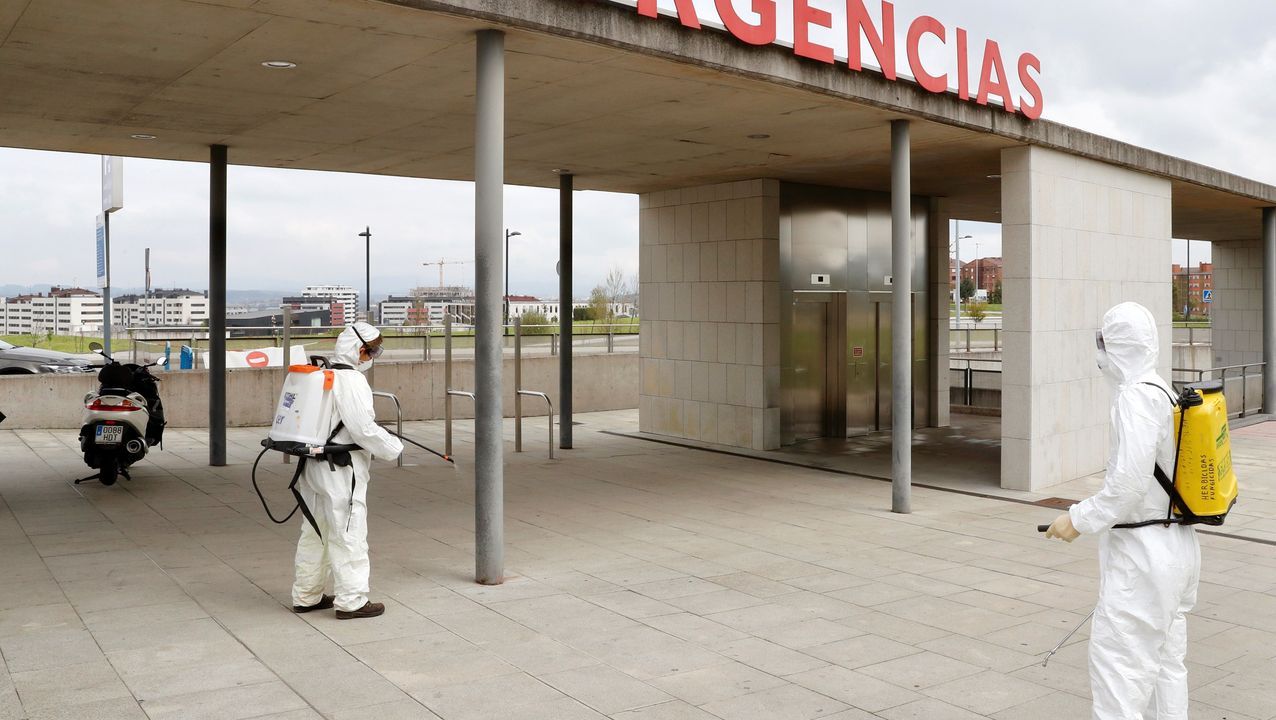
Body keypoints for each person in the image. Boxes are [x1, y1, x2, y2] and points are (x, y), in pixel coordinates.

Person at [1045, 302, 1200, 719]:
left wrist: (1077, 519)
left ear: (1117, 347)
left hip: (1143, 556)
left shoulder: (1134, 397)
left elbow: (1127, 486)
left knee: (1120, 670)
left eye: (1103, 343)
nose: (1099, 354)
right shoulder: (1163, 390)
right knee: (1167, 666)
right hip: (1178, 545)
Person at [292, 322, 403, 620]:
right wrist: (393, 447)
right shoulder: (352, 381)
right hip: (339, 470)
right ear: (357, 350)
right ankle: (352, 601)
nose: (372, 357)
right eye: (371, 351)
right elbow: (363, 429)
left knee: (315, 532)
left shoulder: (321, 375)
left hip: (311, 467)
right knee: (348, 531)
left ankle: (307, 595)